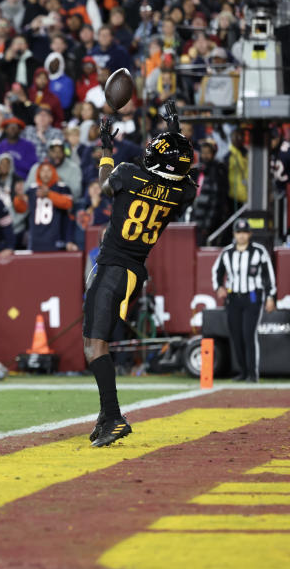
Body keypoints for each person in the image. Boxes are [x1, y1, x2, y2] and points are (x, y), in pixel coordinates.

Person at [84, 101, 196, 447]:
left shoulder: (128, 175)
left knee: (94, 346)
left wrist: (106, 149)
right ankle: (106, 416)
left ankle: (113, 416)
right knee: (98, 342)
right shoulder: (182, 192)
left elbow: (104, 183)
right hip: (134, 270)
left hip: (113, 266)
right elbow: (179, 176)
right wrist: (175, 135)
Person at [211, 219, 276, 383]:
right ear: (234, 234)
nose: (241, 236)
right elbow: (216, 271)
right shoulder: (227, 253)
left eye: (244, 232)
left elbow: (268, 275)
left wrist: (270, 296)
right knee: (236, 335)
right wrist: (218, 286)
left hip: (252, 296)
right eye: (238, 233)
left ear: (249, 234)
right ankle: (242, 371)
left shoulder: (259, 252)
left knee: (248, 334)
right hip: (233, 298)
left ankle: (252, 374)